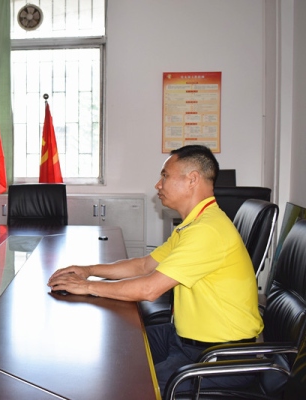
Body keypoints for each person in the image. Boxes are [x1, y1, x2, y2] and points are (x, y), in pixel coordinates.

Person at [47, 145, 263, 393]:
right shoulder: (193, 225)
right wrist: (88, 270)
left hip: (217, 357)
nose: (158, 185)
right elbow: (144, 265)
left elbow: (149, 289)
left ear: (192, 179)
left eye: (165, 176)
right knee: (115, 350)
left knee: (128, 389)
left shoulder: (208, 231)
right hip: (184, 339)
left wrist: (87, 287)